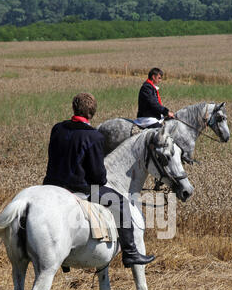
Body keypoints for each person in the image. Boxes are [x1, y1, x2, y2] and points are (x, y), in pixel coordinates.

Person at [43, 92, 155, 268]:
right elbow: (98, 177)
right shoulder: (94, 136)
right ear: (92, 112)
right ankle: (131, 253)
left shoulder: (57, 128)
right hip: (79, 189)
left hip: (51, 186)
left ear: (74, 108)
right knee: (120, 202)